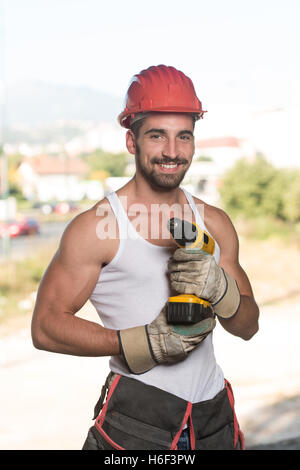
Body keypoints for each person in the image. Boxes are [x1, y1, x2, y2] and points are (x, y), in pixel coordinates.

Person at [31, 65, 259, 451]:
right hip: (136, 426)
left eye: (183, 136)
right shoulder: (96, 228)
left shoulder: (215, 223)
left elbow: (248, 326)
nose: (172, 151)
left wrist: (222, 291)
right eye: (157, 136)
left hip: (214, 422)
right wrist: (142, 343)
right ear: (131, 141)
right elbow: (46, 327)